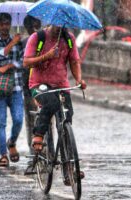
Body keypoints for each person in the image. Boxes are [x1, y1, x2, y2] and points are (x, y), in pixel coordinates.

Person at [23, 25, 86, 184]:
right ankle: (38, 134)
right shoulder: (38, 38)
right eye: (56, 24)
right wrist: (46, 56)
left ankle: (69, 170)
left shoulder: (69, 39)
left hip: (61, 84)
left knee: (66, 120)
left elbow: (74, 61)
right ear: (50, 21)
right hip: (39, 84)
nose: (59, 27)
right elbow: (26, 62)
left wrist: (79, 80)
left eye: (62, 24)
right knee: (50, 103)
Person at [0, 13, 24, 167]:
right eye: (1, 24)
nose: (4, 27)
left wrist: (9, 66)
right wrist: (11, 44)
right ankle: (3, 154)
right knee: (1, 123)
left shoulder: (19, 42)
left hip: (16, 87)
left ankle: (12, 142)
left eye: (7, 24)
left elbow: (23, 61)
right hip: (0, 88)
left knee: (18, 120)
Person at [21, 15, 41, 174]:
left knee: (45, 122)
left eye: (37, 24)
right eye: (31, 25)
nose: (34, 28)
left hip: (45, 86)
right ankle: (33, 157)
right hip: (29, 88)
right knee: (32, 123)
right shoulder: (22, 43)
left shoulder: (46, 40)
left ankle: (48, 153)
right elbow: (22, 67)